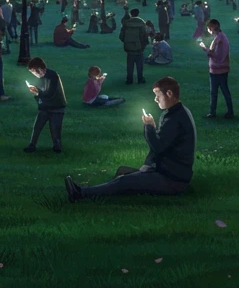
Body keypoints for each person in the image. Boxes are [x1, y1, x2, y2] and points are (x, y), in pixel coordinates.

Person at [64, 76, 195, 200]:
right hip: (168, 171)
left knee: (124, 180)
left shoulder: (174, 118)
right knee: (122, 172)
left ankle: (81, 193)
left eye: (158, 95)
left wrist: (149, 127)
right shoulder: (177, 112)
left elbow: (158, 147)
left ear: (169, 94)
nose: (156, 99)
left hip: (172, 179)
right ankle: (107, 191)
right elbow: (164, 143)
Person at [23, 57, 65, 153]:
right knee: (37, 126)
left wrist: (38, 93)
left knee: (55, 128)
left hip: (56, 107)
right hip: (45, 107)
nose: (34, 74)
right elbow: (43, 92)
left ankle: (57, 146)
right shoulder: (43, 78)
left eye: (33, 72)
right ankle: (32, 145)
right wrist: (36, 91)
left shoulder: (53, 76)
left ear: (39, 69)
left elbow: (50, 93)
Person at [200, 18, 234, 119]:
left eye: (209, 27)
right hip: (218, 69)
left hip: (218, 70)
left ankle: (222, 112)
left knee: (218, 92)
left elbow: (217, 55)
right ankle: (215, 111)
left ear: (213, 27)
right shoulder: (220, 37)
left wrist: (205, 49)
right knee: (220, 92)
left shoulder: (220, 39)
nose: (209, 30)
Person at [120, 8, 150, 85]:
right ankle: (140, 78)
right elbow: (144, 36)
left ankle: (129, 79)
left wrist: (127, 42)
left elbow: (121, 36)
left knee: (130, 65)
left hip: (129, 47)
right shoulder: (141, 23)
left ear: (131, 14)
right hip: (139, 48)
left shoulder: (126, 24)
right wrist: (143, 44)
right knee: (139, 64)